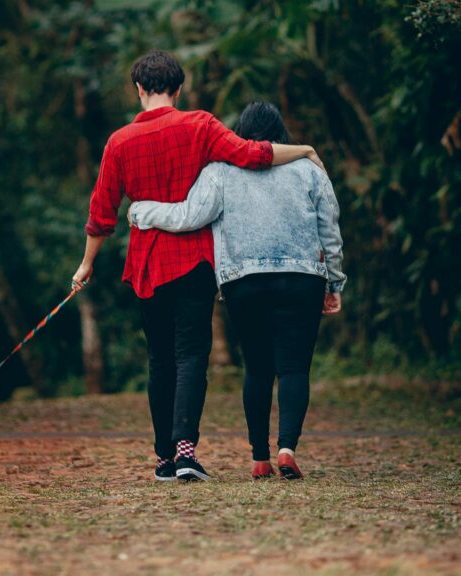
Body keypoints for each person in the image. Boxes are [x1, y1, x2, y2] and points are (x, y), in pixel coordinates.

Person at [71, 51, 324, 482]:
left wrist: (86, 264)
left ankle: (164, 460)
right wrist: (303, 149)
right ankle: (187, 454)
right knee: (191, 357)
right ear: (179, 87)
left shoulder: (119, 142)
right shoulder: (201, 125)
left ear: (138, 89)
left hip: (146, 265)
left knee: (159, 361)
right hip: (194, 263)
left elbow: (102, 213)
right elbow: (251, 155)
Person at [129, 100, 345, 481]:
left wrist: (142, 210)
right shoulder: (310, 170)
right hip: (302, 279)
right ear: (281, 133)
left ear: (240, 134)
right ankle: (286, 449)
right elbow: (330, 228)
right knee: (294, 367)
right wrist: (334, 281)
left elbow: (187, 217)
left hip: (244, 283)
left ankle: (259, 457)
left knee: (257, 367)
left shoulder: (220, 171)